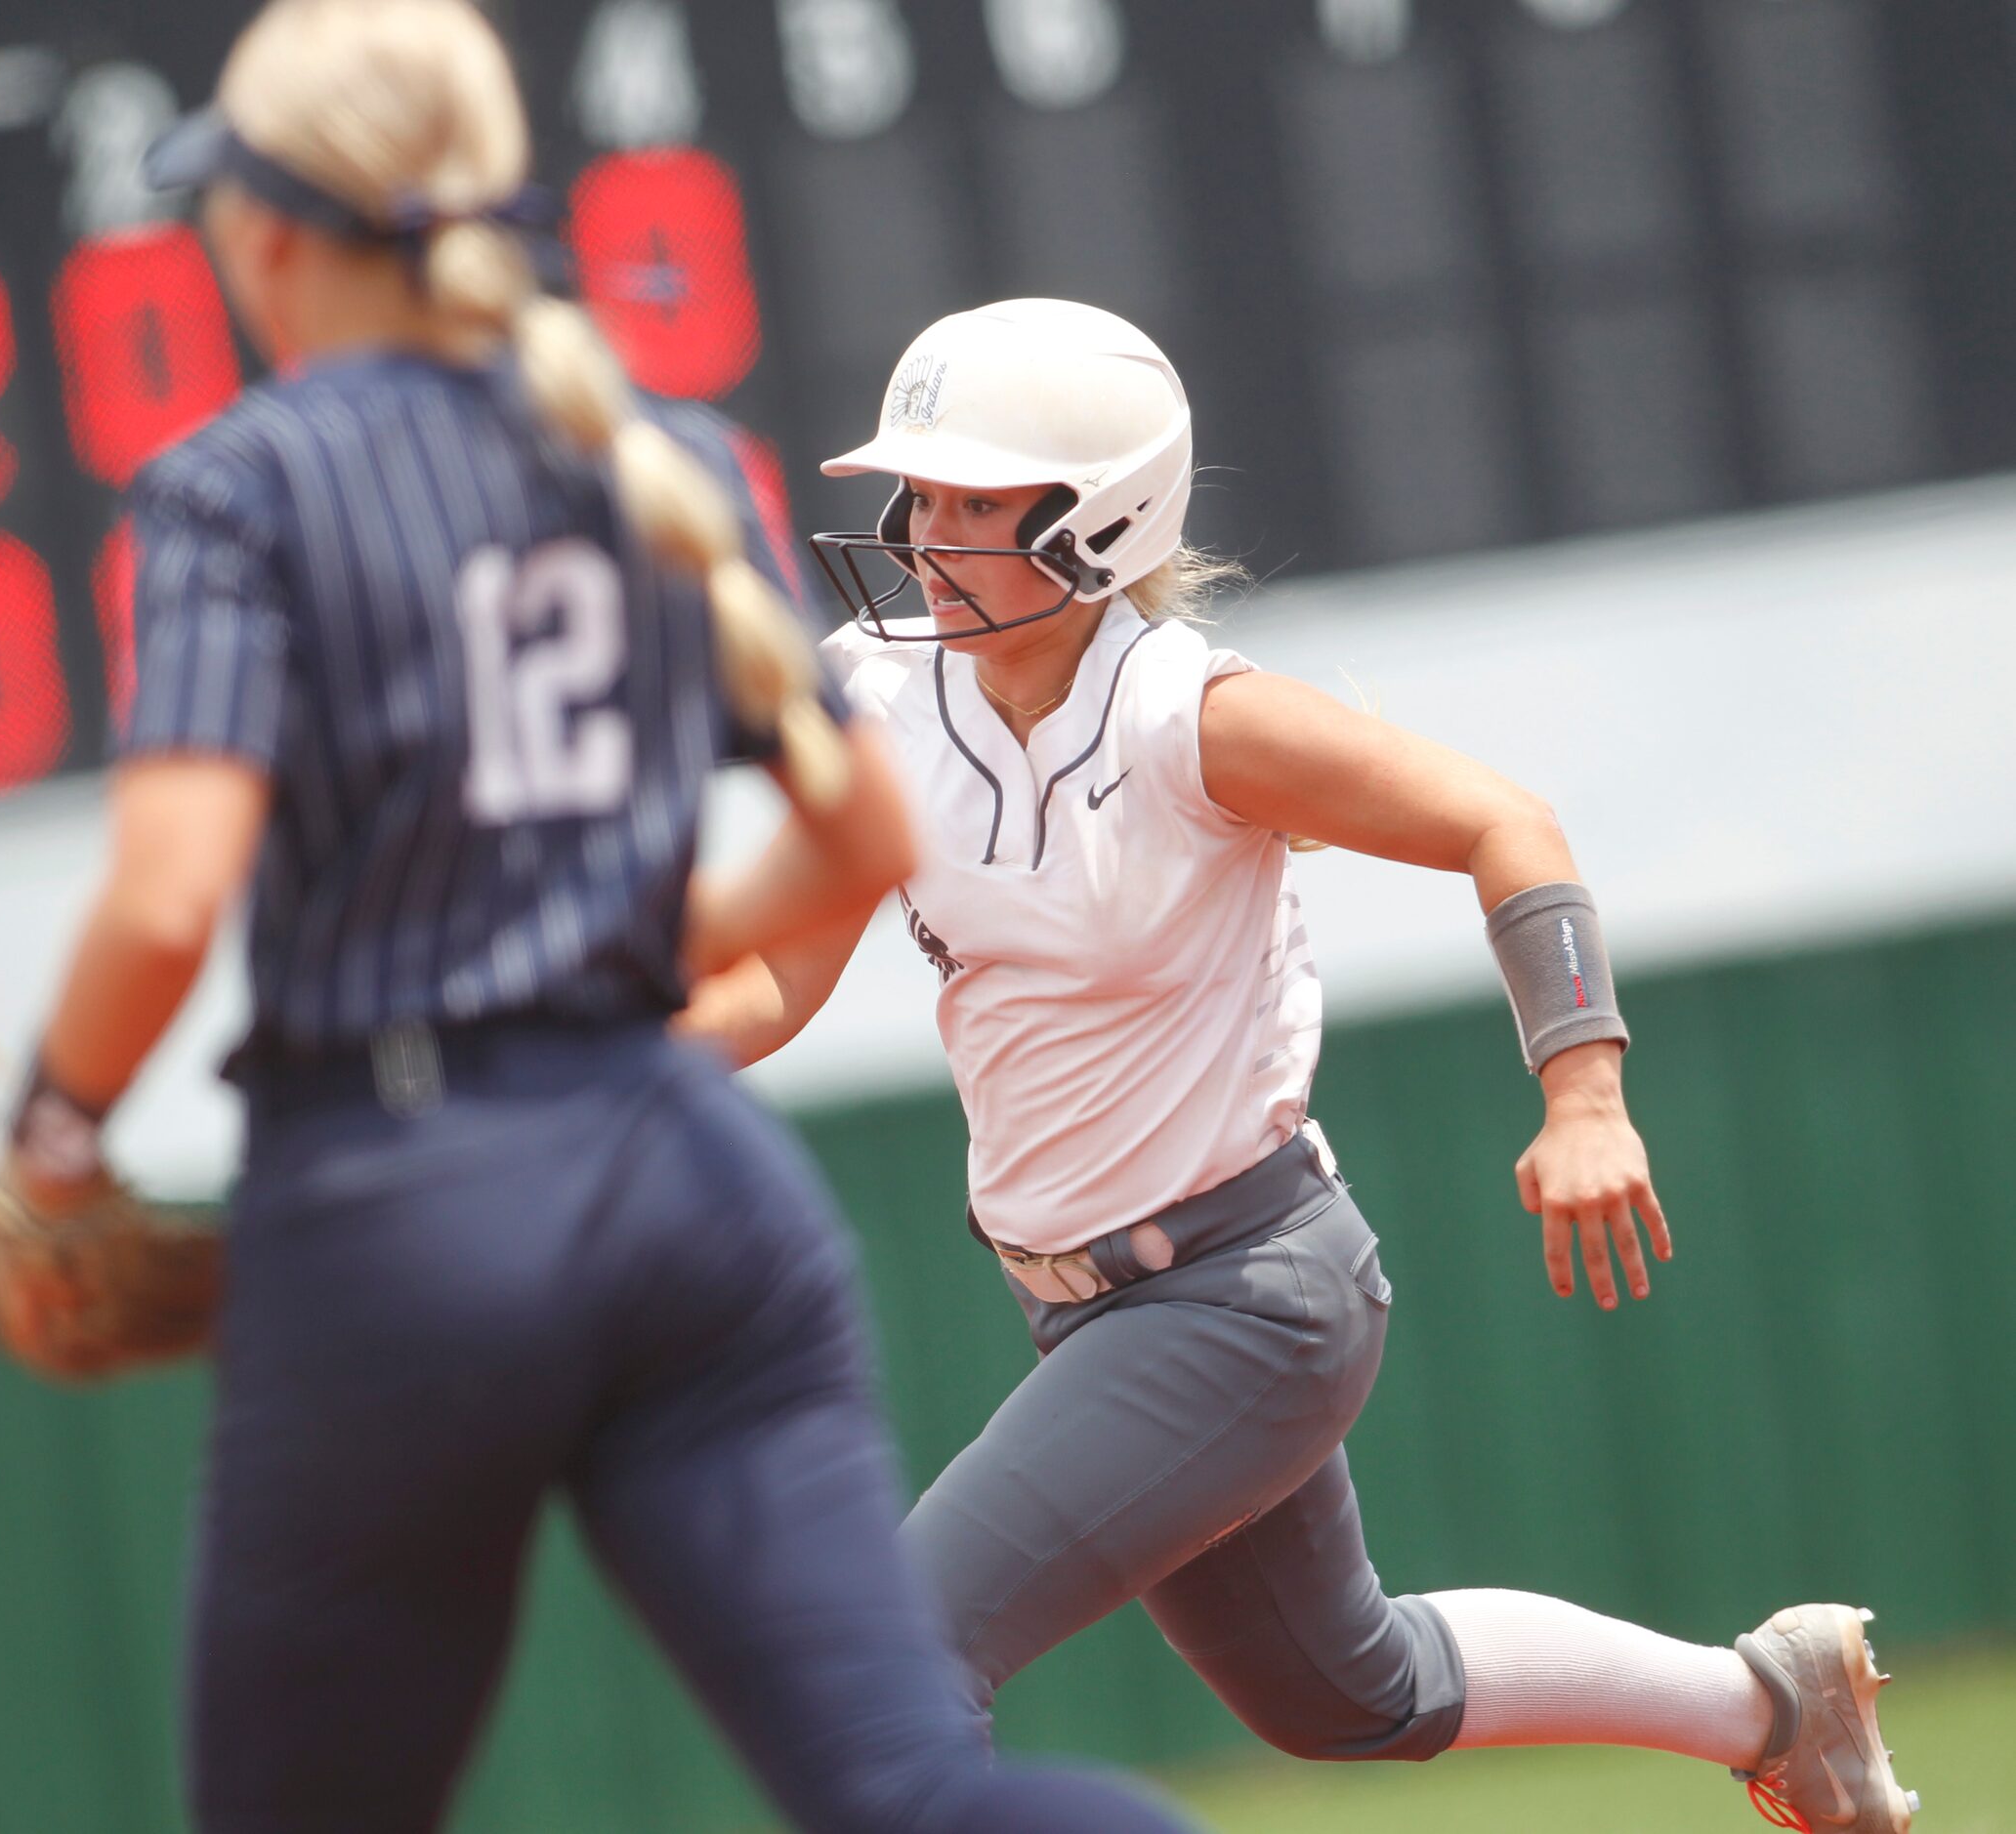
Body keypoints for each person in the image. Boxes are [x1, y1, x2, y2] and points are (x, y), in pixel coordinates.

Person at [0, 16, 1199, 1830]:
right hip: (692, 1192)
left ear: (270, 231)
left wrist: (49, 1148)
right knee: (906, 1797)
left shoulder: (243, 486)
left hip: (404, 1209)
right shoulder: (658, 455)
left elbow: (164, 899)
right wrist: (602, 928)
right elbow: (857, 827)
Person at [683, 298, 1920, 1834]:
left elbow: (1505, 824)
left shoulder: (1190, 717)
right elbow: (782, 975)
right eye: (918, 490)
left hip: (1246, 1292)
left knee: (896, 1648)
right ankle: (1773, 1705)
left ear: (1095, 521)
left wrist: (1585, 1090)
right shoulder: (885, 692)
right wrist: (587, 1059)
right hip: (1089, 1302)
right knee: (1352, 1695)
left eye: (976, 496)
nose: (925, 528)